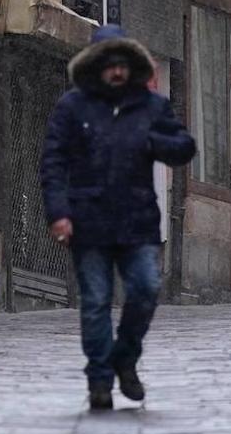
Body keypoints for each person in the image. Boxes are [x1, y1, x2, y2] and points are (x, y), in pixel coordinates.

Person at [40, 24, 196, 411]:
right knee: (95, 301)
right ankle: (99, 381)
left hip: (137, 221)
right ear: (95, 66)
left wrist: (152, 142)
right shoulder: (72, 107)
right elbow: (54, 162)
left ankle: (125, 357)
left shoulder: (152, 106)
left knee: (145, 288)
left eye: (122, 64)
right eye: (109, 65)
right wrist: (58, 213)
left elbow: (184, 146)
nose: (117, 72)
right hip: (88, 221)